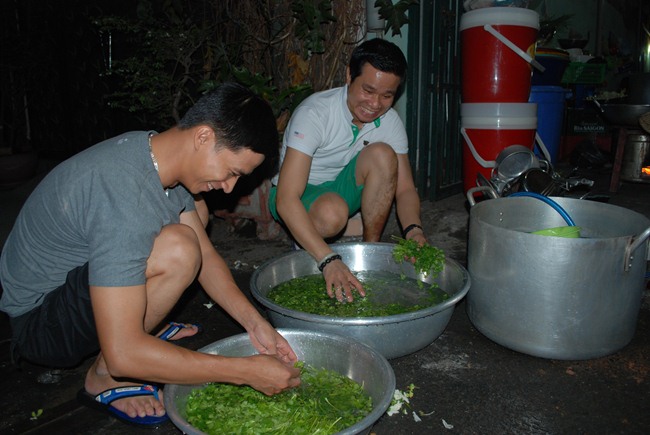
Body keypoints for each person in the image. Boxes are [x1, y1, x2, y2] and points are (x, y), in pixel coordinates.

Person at [0, 82, 301, 427]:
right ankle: (104, 377)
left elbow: (206, 257)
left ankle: (138, 330)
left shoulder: (154, 152)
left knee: (191, 236)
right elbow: (124, 354)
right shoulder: (126, 197)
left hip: (76, 286)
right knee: (178, 249)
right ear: (203, 137)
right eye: (232, 172)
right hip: (41, 326)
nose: (230, 187)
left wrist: (256, 324)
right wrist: (244, 372)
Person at [269, 38, 427, 303]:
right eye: (368, 90)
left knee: (383, 154)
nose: (375, 104)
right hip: (296, 194)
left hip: (341, 189)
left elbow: (406, 189)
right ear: (349, 76)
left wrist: (414, 230)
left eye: (387, 96)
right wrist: (328, 259)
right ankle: (307, 241)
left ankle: (369, 250)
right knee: (332, 214)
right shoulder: (315, 113)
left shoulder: (390, 122)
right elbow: (286, 198)